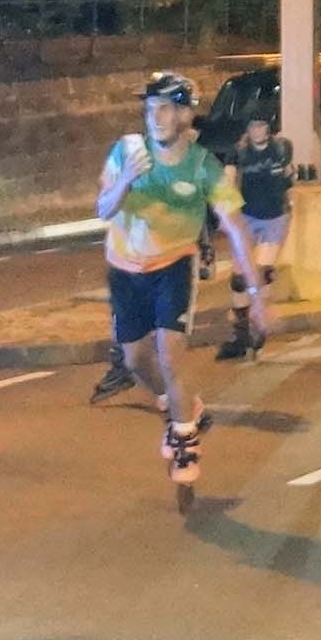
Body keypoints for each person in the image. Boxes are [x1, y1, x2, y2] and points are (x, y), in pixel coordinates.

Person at [96, 71, 267, 492]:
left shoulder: (204, 167)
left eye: (166, 108)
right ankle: (182, 407)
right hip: (124, 269)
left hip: (173, 265)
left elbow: (237, 228)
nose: (156, 117)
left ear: (186, 115)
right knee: (135, 361)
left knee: (170, 355)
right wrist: (125, 179)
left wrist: (258, 294)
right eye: (150, 108)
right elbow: (103, 209)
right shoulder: (126, 150)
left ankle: (185, 439)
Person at [215, 110, 295, 360]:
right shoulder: (239, 152)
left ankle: (258, 325)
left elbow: (288, 177)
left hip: (274, 217)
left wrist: (289, 199)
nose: (257, 131)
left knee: (262, 272)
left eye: (261, 125)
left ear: (268, 128)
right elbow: (228, 182)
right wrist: (227, 212)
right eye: (252, 126)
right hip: (248, 217)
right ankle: (240, 336)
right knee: (239, 278)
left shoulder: (281, 148)